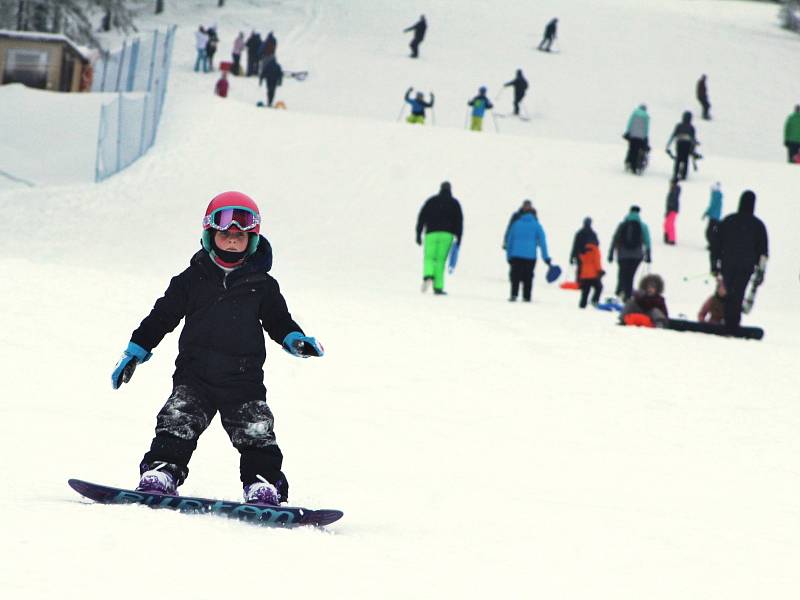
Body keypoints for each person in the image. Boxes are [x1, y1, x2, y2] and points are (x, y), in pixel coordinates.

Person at [110, 191, 324, 505]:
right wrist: (135, 352)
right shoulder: (189, 280)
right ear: (211, 235)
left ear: (252, 240)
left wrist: (295, 339)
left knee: (256, 433)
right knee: (176, 423)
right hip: (194, 375)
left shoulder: (262, 284)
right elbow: (160, 318)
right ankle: (161, 472)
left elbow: (279, 320)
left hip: (243, 380)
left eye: (240, 235)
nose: (232, 240)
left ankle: (262, 485)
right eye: (225, 233)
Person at [712, 190, 768, 332]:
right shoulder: (758, 225)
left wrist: (713, 264)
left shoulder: (728, 220)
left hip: (728, 263)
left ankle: (722, 320)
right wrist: (761, 272)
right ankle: (732, 323)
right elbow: (763, 253)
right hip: (746, 266)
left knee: (726, 291)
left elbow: (715, 245)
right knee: (738, 294)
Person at [415, 181, 463, 295]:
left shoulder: (431, 201)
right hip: (447, 234)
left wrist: (418, 233)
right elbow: (459, 221)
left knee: (429, 257)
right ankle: (438, 287)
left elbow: (421, 217)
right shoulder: (454, 203)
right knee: (440, 261)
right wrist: (459, 238)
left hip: (431, 233)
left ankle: (428, 275)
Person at [503, 202, 552, 302]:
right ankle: (527, 296)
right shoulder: (537, 225)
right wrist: (546, 257)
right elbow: (542, 242)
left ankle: (514, 294)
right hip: (530, 256)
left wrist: (508, 256)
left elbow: (510, 240)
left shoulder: (516, 224)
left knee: (515, 276)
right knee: (528, 276)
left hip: (516, 255)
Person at [608, 205, 652, 301]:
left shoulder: (622, 225)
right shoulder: (642, 226)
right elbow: (647, 241)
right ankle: (627, 295)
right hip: (636, 256)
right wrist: (648, 255)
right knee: (630, 275)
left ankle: (619, 291)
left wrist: (611, 253)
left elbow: (615, 239)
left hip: (622, 254)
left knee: (622, 273)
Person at [666, 111, 699, 181]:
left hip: (679, 144)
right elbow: (693, 138)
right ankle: (684, 174)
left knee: (678, 159)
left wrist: (668, 145)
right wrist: (694, 147)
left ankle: (675, 173)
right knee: (686, 159)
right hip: (687, 145)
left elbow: (673, 135)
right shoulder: (691, 127)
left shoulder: (679, 125)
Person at [577, 241, 604, 308]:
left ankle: (582, 305)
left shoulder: (583, 249)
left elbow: (582, 260)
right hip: (593, 274)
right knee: (599, 287)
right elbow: (597, 261)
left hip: (584, 274)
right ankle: (594, 300)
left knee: (585, 291)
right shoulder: (595, 249)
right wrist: (599, 270)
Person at [623, 104, 650, 174]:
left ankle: (629, 163)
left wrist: (628, 131)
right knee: (637, 151)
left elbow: (630, 123)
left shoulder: (634, 113)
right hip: (641, 137)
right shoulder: (646, 116)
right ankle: (634, 166)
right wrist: (645, 136)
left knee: (632, 150)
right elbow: (646, 128)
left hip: (633, 136)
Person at [703, 182, 723, 272]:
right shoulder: (718, 195)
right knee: (710, 232)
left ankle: (712, 245)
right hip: (716, 217)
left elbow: (712, 205)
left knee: (709, 232)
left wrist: (707, 212)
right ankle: (711, 244)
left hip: (714, 217)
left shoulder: (716, 195)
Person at [663, 179, 680, 245]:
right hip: (670, 209)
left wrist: (669, 209)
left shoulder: (674, 190)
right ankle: (667, 237)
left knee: (670, 224)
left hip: (672, 209)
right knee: (666, 224)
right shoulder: (673, 190)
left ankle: (671, 239)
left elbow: (672, 201)